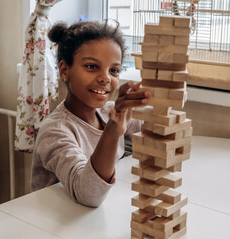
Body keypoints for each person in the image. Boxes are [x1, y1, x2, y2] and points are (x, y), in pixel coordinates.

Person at [30, 20, 151, 207]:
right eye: (92, 67)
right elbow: (88, 194)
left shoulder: (108, 112)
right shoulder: (55, 132)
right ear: (64, 71)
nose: (105, 78)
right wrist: (112, 132)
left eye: (114, 70)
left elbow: (154, 137)